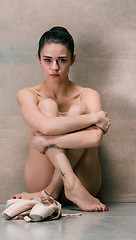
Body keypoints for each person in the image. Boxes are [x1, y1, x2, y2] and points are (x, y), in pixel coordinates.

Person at [13, 26, 111, 212]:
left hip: (85, 183)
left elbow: (94, 138)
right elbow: (47, 126)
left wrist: (46, 141)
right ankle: (69, 184)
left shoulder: (88, 94)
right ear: (38, 58)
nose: (54, 68)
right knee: (48, 106)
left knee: (78, 110)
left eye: (62, 60)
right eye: (47, 60)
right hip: (39, 180)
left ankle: (54, 189)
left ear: (72, 60)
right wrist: (94, 118)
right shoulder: (28, 94)